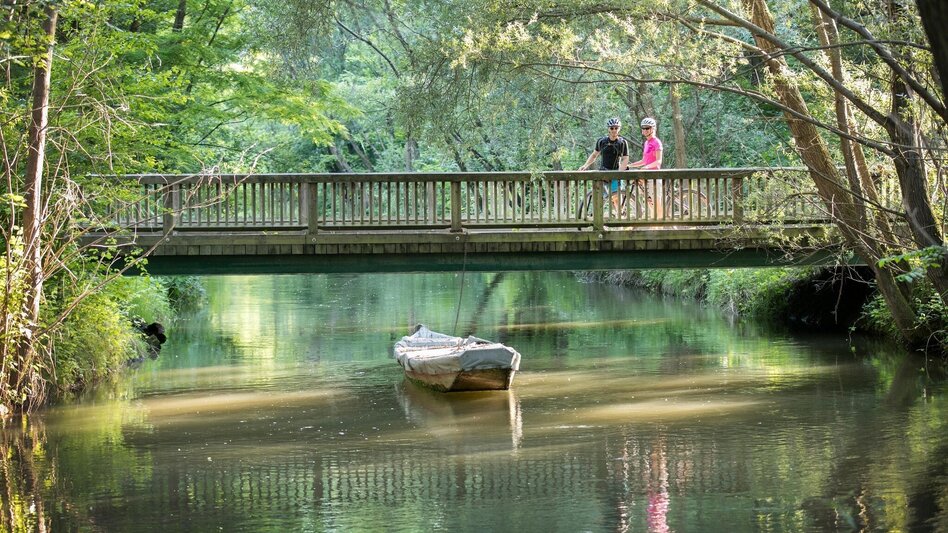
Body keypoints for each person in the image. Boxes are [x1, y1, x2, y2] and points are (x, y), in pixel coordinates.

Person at [578, 117, 629, 211]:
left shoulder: (622, 142)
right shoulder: (602, 141)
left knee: (617, 200)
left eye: (616, 128)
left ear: (619, 128)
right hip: (603, 173)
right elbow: (594, 155)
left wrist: (620, 172)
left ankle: (620, 220)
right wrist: (585, 165)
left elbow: (625, 158)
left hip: (615, 173)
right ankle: (598, 221)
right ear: (608, 129)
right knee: (600, 198)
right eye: (612, 128)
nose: (614, 130)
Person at [627, 117, 663, 210]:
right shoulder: (647, 143)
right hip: (646, 176)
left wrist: (646, 167)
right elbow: (643, 161)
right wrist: (629, 165)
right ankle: (654, 224)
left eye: (647, 128)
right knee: (650, 204)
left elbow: (658, 161)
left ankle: (661, 224)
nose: (645, 130)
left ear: (653, 128)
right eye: (643, 128)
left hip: (654, 176)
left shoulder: (656, 142)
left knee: (656, 203)